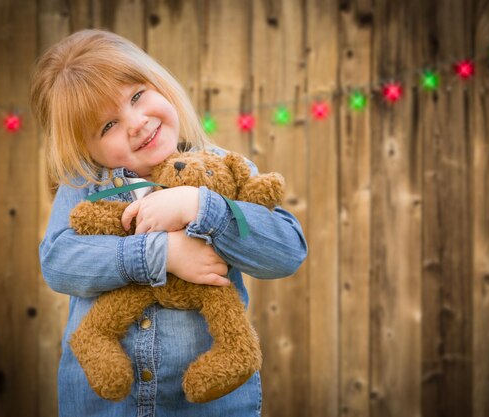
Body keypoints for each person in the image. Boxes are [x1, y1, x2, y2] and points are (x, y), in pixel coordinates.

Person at [30, 29, 307, 417]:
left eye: (137, 96)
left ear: (160, 84)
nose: (137, 123)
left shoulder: (224, 169)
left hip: (207, 408)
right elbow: (59, 261)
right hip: (106, 407)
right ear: (85, 149)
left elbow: (286, 252)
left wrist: (201, 206)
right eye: (107, 125)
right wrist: (159, 253)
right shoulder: (87, 185)